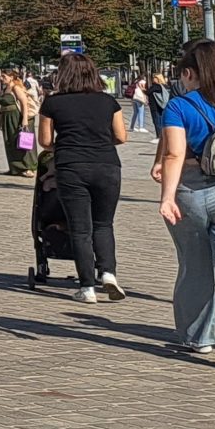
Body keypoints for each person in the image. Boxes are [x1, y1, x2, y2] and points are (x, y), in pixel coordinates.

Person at [39, 52, 129, 304]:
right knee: (104, 224)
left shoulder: (53, 103)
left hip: (72, 166)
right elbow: (121, 136)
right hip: (107, 165)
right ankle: (108, 273)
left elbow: (45, 142)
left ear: (62, 75)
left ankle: (87, 286)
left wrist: (68, 143)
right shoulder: (108, 102)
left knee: (80, 229)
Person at [154, 43, 215, 353]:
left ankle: (199, 337)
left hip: (190, 192)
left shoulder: (178, 107)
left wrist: (167, 196)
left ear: (189, 73)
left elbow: (174, 152)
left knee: (194, 265)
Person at [0, 68, 36, 175]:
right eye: (1, 76)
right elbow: (5, 104)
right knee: (10, 142)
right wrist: (0, 116)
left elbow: (23, 102)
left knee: (23, 140)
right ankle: (15, 167)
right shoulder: (6, 88)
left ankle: (28, 167)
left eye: (4, 76)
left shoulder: (16, 87)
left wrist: (24, 120)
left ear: (11, 77)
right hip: (7, 118)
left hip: (17, 117)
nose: (1, 78)